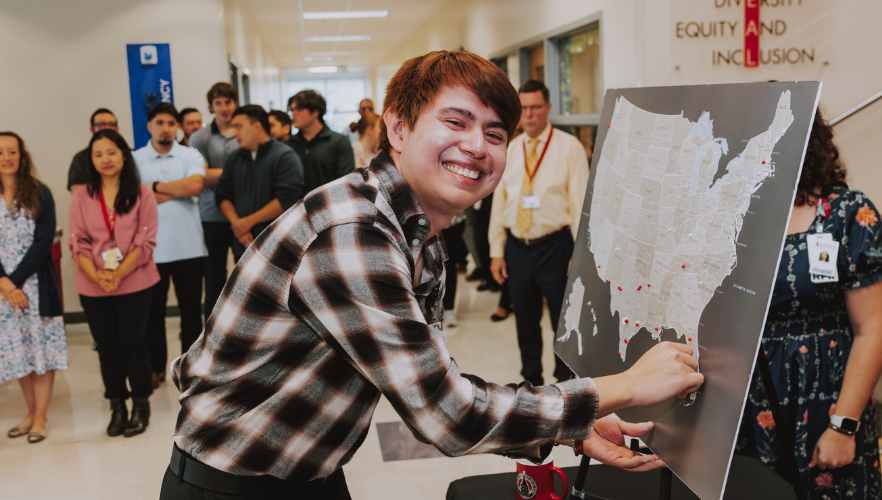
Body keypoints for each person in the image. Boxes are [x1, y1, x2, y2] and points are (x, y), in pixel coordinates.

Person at [159, 51, 704, 500]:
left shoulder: (420, 235)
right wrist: (625, 386)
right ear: (398, 127)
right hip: (233, 485)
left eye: (495, 133)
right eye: (456, 122)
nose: (477, 146)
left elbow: (431, 383)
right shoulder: (355, 231)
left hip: (309, 474)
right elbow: (447, 416)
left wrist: (572, 426)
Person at [736, 109, 882, 498]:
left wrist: (843, 426)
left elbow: (873, 329)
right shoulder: (735, 213)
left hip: (826, 396)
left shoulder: (848, 213)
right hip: (747, 397)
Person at [488, 80, 590, 386]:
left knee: (562, 320)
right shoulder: (509, 149)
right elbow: (500, 202)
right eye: (524, 108)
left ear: (548, 107)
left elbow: (580, 204)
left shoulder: (569, 147)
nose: (529, 114)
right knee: (525, 320)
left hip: (555, 247)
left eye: (536, 107)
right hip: (518, 248)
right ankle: (530, 382)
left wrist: (579, 255)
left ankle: (564, 383)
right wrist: (496, 251)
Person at [70, 129, 159, 438]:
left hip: (135, 281)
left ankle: (141, 406)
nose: (105, 159)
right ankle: (117, 407)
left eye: (111, 152)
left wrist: (117, 274)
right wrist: (98, 276)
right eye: (98, 154)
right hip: (93, 284)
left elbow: (145, 241)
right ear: (90, 160)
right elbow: (77, 242)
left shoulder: (143, 193)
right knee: (107, 349)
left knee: (133, 345)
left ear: (123, 155)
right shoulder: (81, 195)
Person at [133, 103, 207, 389]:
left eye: (170, 123)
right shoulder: (135, 159)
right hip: (149, 250)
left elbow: (195, 186)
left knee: (191, 314)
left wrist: (152, 188)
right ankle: (155, 368)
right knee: (152, 314)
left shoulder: (190, 154)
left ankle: (189, 369)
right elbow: (133, 196)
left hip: (189, 247)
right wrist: (176, 188)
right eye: (159, 123)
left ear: (177, 127)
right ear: (149, 126)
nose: (165, 128)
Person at [0, 132, 67, 444]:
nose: (6, 157)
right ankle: (29, 413)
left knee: (42, 354)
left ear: (22, 155)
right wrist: (4, 282)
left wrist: (13, 280)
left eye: (12, 151)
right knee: (20, 354)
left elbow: (44, 242)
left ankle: (41, 416)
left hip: (37, 289)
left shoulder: (40, 192)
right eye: (0, 152)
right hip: (4, 293)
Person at [215, 105, 304, 261]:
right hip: (243, 243)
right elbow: (222, 194)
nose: (234, 133)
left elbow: (287, 199)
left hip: (277, 243)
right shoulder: (234, 158)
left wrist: (248, 222)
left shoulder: (284, 156)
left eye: (238, 126)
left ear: (256, 126)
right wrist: (239, 225)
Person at [189, 82, 239, 321]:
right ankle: (212, 330)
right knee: (214, 278)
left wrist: (215, 173)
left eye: (228, 102)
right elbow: (202, 177)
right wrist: (241, 172)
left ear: (235, 103)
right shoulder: (200, 137)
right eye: (218, 103)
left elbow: (211, 174)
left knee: (247, 275)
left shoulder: (244, 130)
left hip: (244, 215)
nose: (224, 108)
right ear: (211, 106)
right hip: (212, 215)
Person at [284, 90, 355, 195]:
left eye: (298, 109)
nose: (293, 114)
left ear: (315, 112)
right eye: (292, 110)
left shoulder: (339, 141)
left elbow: (346, 183)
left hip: (330, 203)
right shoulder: (288, 145)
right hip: (297, 204)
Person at [68, 108, 119, 193]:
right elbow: (78, 193)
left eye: (111, 124)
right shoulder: (81, 158)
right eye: (101, 124)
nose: (106, 128)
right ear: (92, 129)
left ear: (117, 128)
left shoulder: (130, 154)